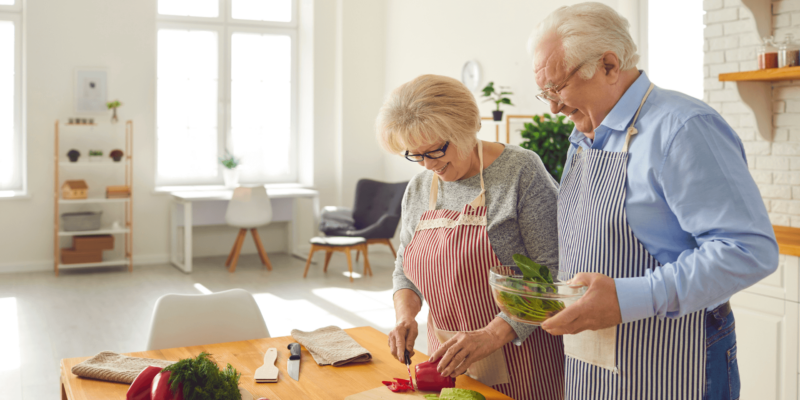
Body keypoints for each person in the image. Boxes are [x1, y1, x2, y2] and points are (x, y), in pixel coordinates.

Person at [530, 3, 779, 399]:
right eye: (545, 91)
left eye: (558, 88)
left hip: (679, 357)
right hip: (594, 362)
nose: (553, 107)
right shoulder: (587, 134)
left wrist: (628, 299)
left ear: (609, 65)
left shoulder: (682, 128)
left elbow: (749, 251)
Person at [376, 74, 564, 399]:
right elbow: (404, 269)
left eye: (434, 150)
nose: (427, 164)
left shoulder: (521, 171)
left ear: (466, 127)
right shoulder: (419, 188)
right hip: (448, 363)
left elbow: (554, 276)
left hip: (523, 360)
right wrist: (405, 316)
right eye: (415, 154)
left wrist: (491, 335)